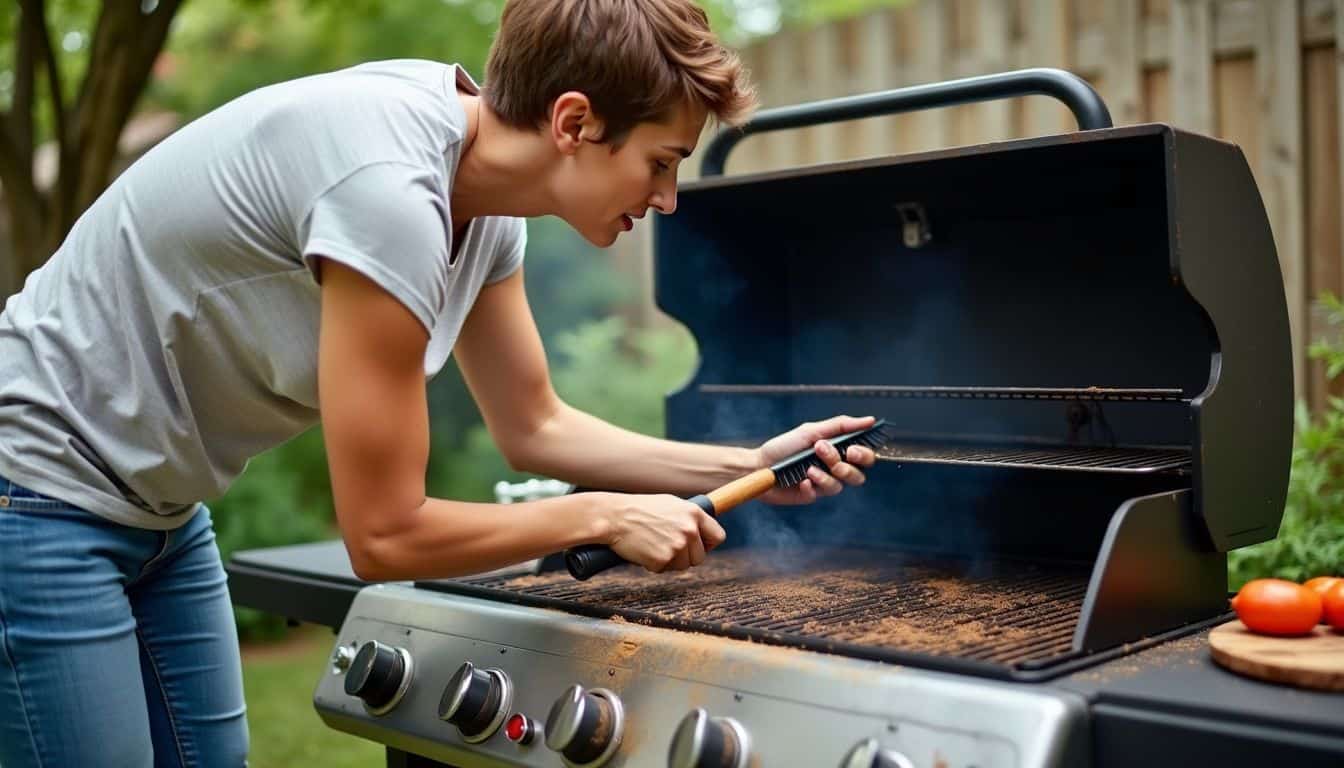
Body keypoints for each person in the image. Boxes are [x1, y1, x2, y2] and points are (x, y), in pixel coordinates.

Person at [0, 0, 879, 765]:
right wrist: (603, 513)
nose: (669, 197)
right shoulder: (389, 194)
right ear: (573, 122)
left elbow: (534, 426)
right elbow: (384, 536)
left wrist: (745, 466)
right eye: (660, 161)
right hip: (34, 490)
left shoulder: (485, 201)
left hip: (157, 509)